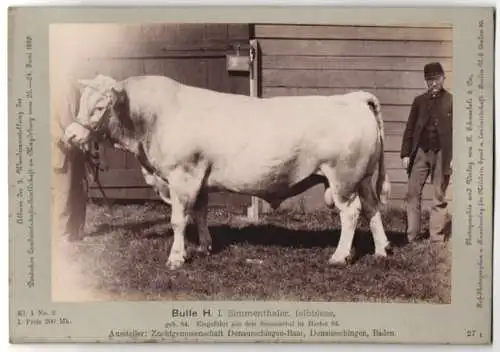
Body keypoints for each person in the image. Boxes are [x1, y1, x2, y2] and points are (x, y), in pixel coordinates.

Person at [400, 62, 453, 243]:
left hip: (442, 154)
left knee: (438, 195)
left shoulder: (451, 101)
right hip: (420, 153)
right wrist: (406, 154)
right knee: (413, 193)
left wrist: (453, 158)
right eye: (429, 80)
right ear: (425, 82)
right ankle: (412, 236)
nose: (433, 84)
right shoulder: (419, 102)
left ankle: (436, 239)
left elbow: (459, 133)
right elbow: (409, 129)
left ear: (443, 78)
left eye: (437, 79)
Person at [52, 78, 88, 243]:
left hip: (79, 150)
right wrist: (63, 139)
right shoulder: (54, 91)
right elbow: (50, 122)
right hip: (63, 151)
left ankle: (77, 232)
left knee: (80, 191)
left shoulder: (81, 92)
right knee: (64, 193)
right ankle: (62, 235)